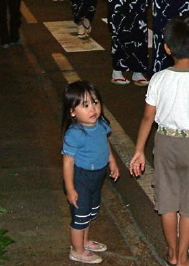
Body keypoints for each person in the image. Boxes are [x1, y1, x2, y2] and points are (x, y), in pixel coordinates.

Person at [129, 17, 189, 266]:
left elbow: (148, 117)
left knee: (167, 202)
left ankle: (172, 253)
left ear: (167, 47)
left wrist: (139, 150)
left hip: (165, 143)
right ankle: (183, 257)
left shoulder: (159, 79)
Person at [61, 81, 120, 264]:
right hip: (81, 179)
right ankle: (77, 250)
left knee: (89, 213)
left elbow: (104, 144)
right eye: (85, 105)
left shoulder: (101, 124)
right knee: (80, 216)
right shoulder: (75, 133)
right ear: (72, 111)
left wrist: (112, 162)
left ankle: (84, 242)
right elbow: (68, 164)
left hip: (97, 177)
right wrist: (71, 189)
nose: (93, 108)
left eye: (95, 102)